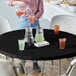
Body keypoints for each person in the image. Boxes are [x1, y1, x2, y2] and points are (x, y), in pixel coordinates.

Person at [7, 0, 44, 73]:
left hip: (35, 22)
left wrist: (35, 17)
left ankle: (35, 63)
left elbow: (41, 10)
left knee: (35, 44)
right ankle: (21, 63)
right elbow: (8, 2)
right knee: (22, 44)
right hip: (23, 21)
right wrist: (19, 2)